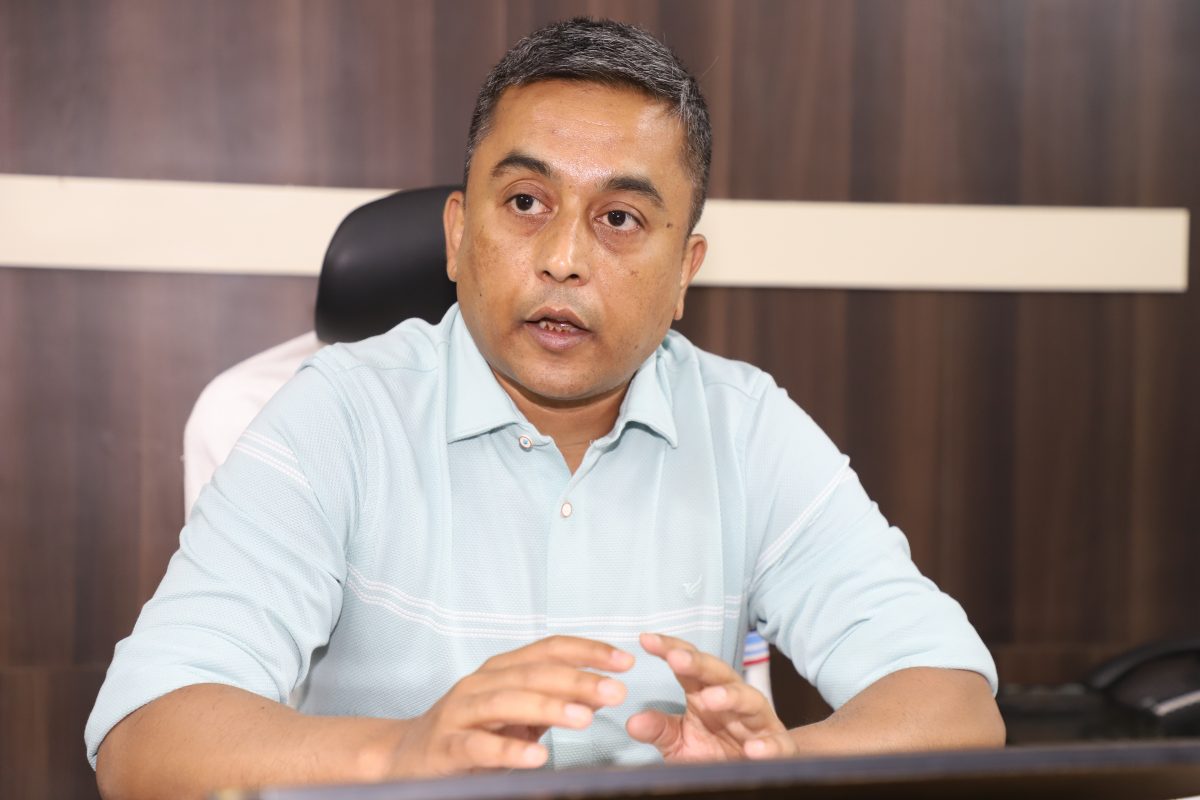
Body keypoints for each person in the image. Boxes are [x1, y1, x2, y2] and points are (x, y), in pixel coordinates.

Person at [87, 17, 1004, 799]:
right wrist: (400, 755)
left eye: (620, 219)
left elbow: (955, 703)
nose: (564, 258)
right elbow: (145, 737)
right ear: (457, 235)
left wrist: (785, 767)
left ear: (685, 273)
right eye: (526, 201)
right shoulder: (337, 418)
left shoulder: (746, 428)